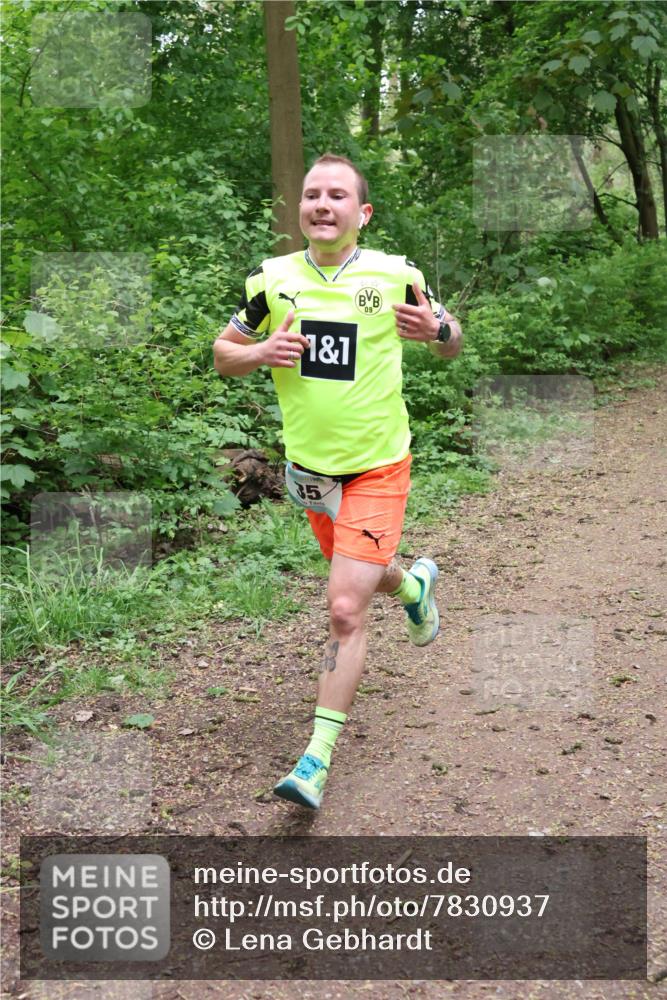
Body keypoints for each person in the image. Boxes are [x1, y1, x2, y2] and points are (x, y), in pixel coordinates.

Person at [213, 153, 462, 810]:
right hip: (309, 469)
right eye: (312, 194)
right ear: (299, 208)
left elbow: (450, 339)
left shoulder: (392, 275)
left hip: (379, 463)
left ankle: (315, 761)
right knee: (365, 568)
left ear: (362, 212)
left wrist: (435, 328)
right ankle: (412, 586)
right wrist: (259, 352)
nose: (322, 205)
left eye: (337, 196)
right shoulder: (270, 281)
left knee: (344, 607)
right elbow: (222, 354)